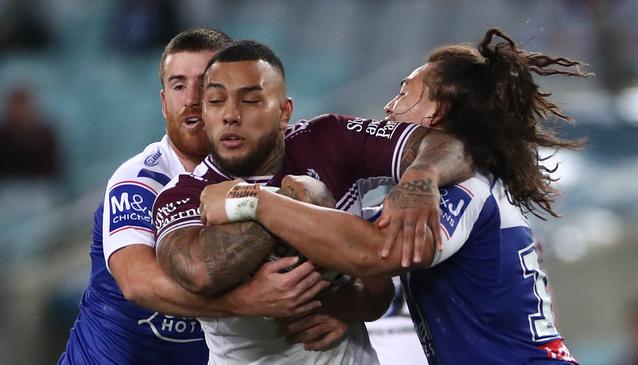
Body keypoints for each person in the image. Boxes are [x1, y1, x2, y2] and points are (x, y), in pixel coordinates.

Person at [202, 28, 588, 364]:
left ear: (438, 114)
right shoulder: (468, 187)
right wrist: (349, 300)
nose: (390, 107)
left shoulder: (467, 190)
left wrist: (252, 199)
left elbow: (376, 250)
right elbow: (350, 239)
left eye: (405, 93)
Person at [152, 40, 473, 364]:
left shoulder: (328, 140)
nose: (231, 116)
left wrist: (421, 175)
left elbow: (449, 145)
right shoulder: (186, 194)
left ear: (284, 112)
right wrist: (294, 201)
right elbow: (199, 271)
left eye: (250, 101)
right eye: (216, 101)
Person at [58, 28, 329, 365]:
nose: (190, 99)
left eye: (204, 84)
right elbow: (136, 283)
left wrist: (340, 307)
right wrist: (245, 301)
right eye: (178, 85)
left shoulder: (270, 177)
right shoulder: (141, 179)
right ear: (163, 101)